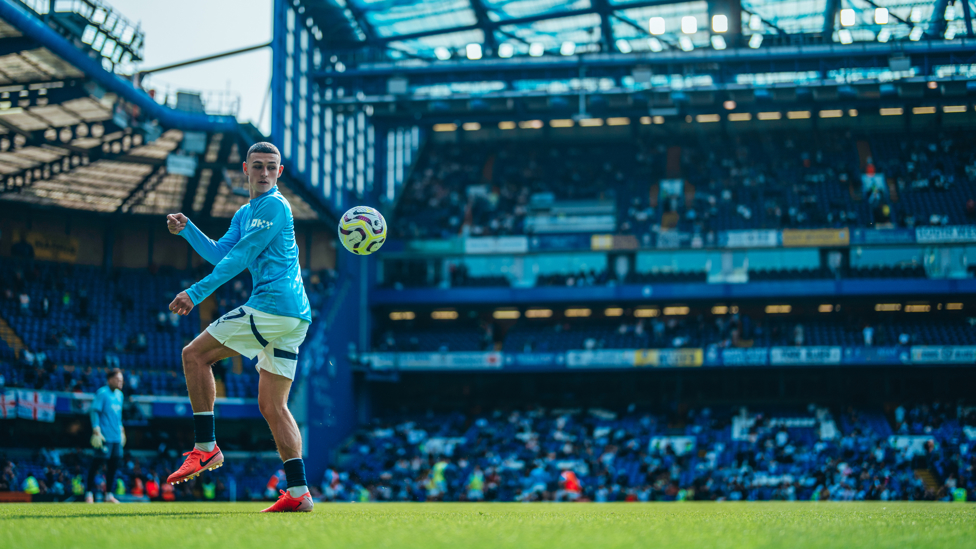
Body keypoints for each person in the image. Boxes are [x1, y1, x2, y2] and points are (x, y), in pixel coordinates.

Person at [164, 142, 313, 513]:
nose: (264, 173)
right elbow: (221, 253)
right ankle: (298, 493)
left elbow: (242, 257)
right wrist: (189, 231)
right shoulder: (246, 213)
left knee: (194, 355)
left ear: (279, 173)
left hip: (273, 308)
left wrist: (196, 293)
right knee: (273, 405)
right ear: (245, 169)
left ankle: (205, 448)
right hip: (294, 317)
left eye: (271, 168)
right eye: (258, 166)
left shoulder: (275, 206)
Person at [86, 368, 125, 503]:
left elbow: (118, 416)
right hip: (104, 436)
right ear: (109, 380)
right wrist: (96, 429)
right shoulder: (102, 393)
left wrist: (121, 430)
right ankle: (88, 493)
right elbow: (94, 411)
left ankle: (108, 495)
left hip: (116, 437)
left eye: (121, 380)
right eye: (117, 380)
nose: (120, 382)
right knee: (96, 464)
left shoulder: (120, 395)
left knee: (113, 466)